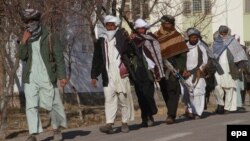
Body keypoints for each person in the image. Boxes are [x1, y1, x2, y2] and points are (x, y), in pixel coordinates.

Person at [19, 9, 67, 141]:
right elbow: (22, 56)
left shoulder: (50, 36)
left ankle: (56, 129)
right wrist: (23, 41)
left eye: (30, 21)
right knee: (31, 105)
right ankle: (33, 133)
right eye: (26, 21)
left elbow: (59, 57)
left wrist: (62, 76)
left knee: (53, 103)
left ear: (36, 21)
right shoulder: (26, 37)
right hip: (31, 76)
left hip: (47, 75)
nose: (28, 24)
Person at [91, 15, 134, 134]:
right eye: (107, 24)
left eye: (111, 24)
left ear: (116, 25)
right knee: (109, 99)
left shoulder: (122, 37)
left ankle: (125, 122)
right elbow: (97, 58)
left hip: (120, 73)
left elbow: (130, 51)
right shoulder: (101, 39)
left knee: (123, 98)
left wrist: (129, 40)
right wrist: (94, 75)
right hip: (107, 74)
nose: (109, 27)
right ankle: (109, 123)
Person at [129, 18, 164, 127]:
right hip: (137, 71)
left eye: (143, 28)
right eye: (139, 28)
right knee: (141, 97)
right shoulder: (132, 40)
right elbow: (127, 52)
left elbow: (156, 55)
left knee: (148, 95)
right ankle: (145, 118)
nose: (141, 30)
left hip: (149, 71)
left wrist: (158, 71)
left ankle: (151, 113)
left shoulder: (151, 39)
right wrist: (129, 40)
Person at [154, 15, 188, 124]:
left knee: (173, 90)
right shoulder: (155, 36)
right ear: (163, 24)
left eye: (171, 23)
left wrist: (181, 68)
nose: (169, 26)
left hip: (174, 67)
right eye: (167, 23)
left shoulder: (177, 36)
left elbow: (182, 54)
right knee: (165, 90)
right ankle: (170, 111)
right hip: (160, 67)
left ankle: (171, 115)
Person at [212, 25, 248, 114]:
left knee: (230, 89)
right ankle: (221, 104)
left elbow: (240, 55)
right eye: (221, 33)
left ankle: (227, 108)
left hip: (230, 68)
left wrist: (240, 67)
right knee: (217, 87)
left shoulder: (233, 42)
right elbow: (211, 55)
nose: (223, 35)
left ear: (227, 33)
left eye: (225, 33)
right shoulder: (216, 42)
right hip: (218, 68)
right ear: (219, 33)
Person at [182, 28, 208, 119]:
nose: (194, 39)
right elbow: (181, 60)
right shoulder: (184, 47)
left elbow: (204, 61)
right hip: (186, 74)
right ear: (189, 38)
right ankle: (190, 110)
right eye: (192, 37)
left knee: (198, 92)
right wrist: (184, 70)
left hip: (198, 73)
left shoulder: (201, 47)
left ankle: (198, 112)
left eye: (196, 37)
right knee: (188, 93)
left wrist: (198, 70)